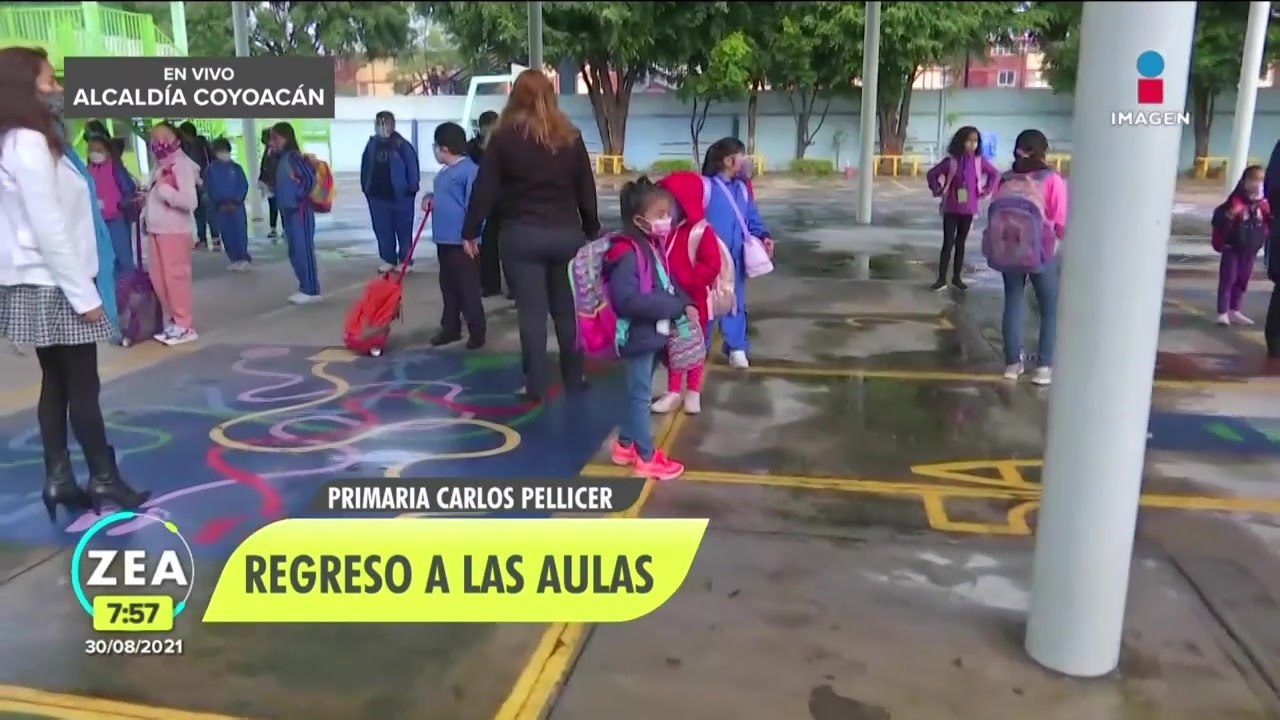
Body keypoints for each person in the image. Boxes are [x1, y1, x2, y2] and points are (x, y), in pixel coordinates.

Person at [0, 46, 151, 518]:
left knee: (57, 384)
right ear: (26, 88)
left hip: (46, 281)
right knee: (83, 387)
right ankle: (104, 480)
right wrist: (84, 296)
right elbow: (49, 228)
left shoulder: (28, 139)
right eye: (49, 82)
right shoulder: (26, 143)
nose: (59, 89)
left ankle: (60, 480)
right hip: (55, 283)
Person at [462, 69, 599, 401]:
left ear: (514, 97)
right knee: (567, 312)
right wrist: (592, 228)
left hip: (521, 235)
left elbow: (485, 189)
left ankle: (535, 384)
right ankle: (574, 376)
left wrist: (470, 231)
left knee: (532, 314)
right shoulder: (570, 136)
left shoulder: (503, 138)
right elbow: (586, 188)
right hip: (566, 235)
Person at [604, 178, 693, 480]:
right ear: (639, 219)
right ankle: (645, 457)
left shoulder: (650, 245)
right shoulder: (628, 253)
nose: (667, 220)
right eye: (660, 214)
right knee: (641, 397)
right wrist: (673, 307)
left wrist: (685, 302)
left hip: (652, 333)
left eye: (668, 213)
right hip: (638, 335)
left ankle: (625, 445)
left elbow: (666, 284)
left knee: (639, 394)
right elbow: (627, 299)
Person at [994, 129, 1068, 386]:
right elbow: (1060, 220)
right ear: (1043, 151)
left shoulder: (1005, 179)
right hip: (1041, 251)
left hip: (1008, 250)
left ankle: (1013, 364)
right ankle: (1044, 368)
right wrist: (1057, 238)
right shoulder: (1051, 179)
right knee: (1049, 308)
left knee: (1013, 303)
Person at [652, 171, 724, 415]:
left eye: (671, 201)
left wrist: (687, 282)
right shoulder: (666, 229)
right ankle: (673, 391)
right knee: (673, 344)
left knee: (694, 346)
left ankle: (693, 391)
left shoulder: (702, 231)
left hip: (695, 301)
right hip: (670, 301)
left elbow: (712, 264)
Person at [701, 137, 773, 369]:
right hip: (710, 260)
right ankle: (698, 349)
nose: (746, 161)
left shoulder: (743, 190)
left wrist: (763, 236)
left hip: (737, 259)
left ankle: (737, 347)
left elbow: (752, 218)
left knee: (736, 303)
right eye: (742, 156)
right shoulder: (706, 187)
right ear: (729, 160)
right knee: (708, 303)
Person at [423, 122, 485, 349]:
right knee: (448, 286)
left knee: (467, 288)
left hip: (462, 242)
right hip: (445, 239)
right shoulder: (445, 172)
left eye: (436, 146)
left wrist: (473, 238)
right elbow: (443, 195)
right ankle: (450, 328)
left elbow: (477, 206)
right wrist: (429, 197)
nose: (435, 150)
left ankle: (477, 331)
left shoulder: (469, 171)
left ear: (445, 148)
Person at [142, 121, 200, 346]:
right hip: (156, 229)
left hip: (175, 231)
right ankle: (173, 322)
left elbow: (190, 201)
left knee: (176, 278)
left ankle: (184, 324)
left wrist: (166, 192)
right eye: (154, 137)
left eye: (164, 136)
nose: (159, 142)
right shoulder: (159, 166)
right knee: (160, 279)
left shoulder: (182, 166)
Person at [926, 126, 1001, 291]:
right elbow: (932, 174)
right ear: (961, 141)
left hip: (968, 209)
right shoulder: (951, 161)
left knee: (961, 243)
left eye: (975, 141)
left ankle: (957, 278)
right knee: (948, 243)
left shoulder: (979, 161)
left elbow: (995, 174)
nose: (972, 144)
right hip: (951, 208)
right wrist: (938, 189)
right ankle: (941, 278)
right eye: (969, 140)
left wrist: (986, 190)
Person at [361, 111, 420, 273]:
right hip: (377, 196)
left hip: (401, 196)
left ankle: (405, 260)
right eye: (378, 123)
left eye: (384, 123)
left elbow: (412, 167)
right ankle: (388, 259)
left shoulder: (402, 145)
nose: (381, 127)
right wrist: (365, 187)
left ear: (392, 125)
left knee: (403, 229)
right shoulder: (371, 145)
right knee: (382, 229)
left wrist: (412, 188)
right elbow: (365, 166)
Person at [1211, 165, 1269, 326]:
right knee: (1228, 280)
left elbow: (1267, 224)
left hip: (1250, 249)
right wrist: (1230, 214)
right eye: (1254, 179)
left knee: (1242, 280)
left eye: (1261, 180)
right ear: (1244, 181)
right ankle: (1222, 312)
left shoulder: (1263, 204)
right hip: (1233, 248)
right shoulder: (1235, 201)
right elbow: (1218, 219)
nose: (1257, 184)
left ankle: (1235, 310)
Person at [271, 122, 321, 304]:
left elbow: (309, 179)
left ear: (287, 138)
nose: (272, 142)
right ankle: (304, 286)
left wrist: (299, 198)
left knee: (303, 249)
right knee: (294, 250)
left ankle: (312, 289)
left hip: (300, 212)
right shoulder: (283, 159)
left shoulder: (293, 157)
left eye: (276, 138)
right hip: (289, 212)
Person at [468, 111, 510, 298]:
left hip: (506, 201)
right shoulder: (471, 148)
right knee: (488, 247)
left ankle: (515, 287)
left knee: (509, 247)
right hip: (485, 201)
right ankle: (490, 285)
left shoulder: (507, 144)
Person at [86, 133, 138, 277]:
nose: (94, 153)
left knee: (123, 256)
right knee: (106, 260)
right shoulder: (88, 169)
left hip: (116, 218)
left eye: (98, 149)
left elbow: (129, 189)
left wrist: (118, 205)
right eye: (91, 149)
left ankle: (129, 288)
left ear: (107, 150)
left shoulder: (115, 167)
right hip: (97, 221)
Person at [205, 138, 252, 271]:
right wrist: (218, 203)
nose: (223, 153)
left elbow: (243, 186)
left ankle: (243, 258)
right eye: (220, 151)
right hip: (220, 208)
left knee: (239, 232)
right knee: (227, 234)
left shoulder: (236, 168)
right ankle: (234, 259)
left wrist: (236, 201)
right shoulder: (211, 169)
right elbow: (209, 188)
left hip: (236, 207)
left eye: (225, 150)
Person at [177, 121, 218, 250]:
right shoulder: (194, 146)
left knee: (206, 211)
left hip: (203, 183)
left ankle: (210, 238)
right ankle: (207, 239)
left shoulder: (197, 146)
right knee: (201, 211)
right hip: (198, 183)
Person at [258, 128, 279, 241]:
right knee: (274, 206)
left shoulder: (274, 152)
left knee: (276, 207)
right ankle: (274, 229)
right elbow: (264, 167)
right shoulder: (269, 150)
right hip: (272, 184)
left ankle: (276, 229)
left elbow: (266, 167)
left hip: (276, 184)